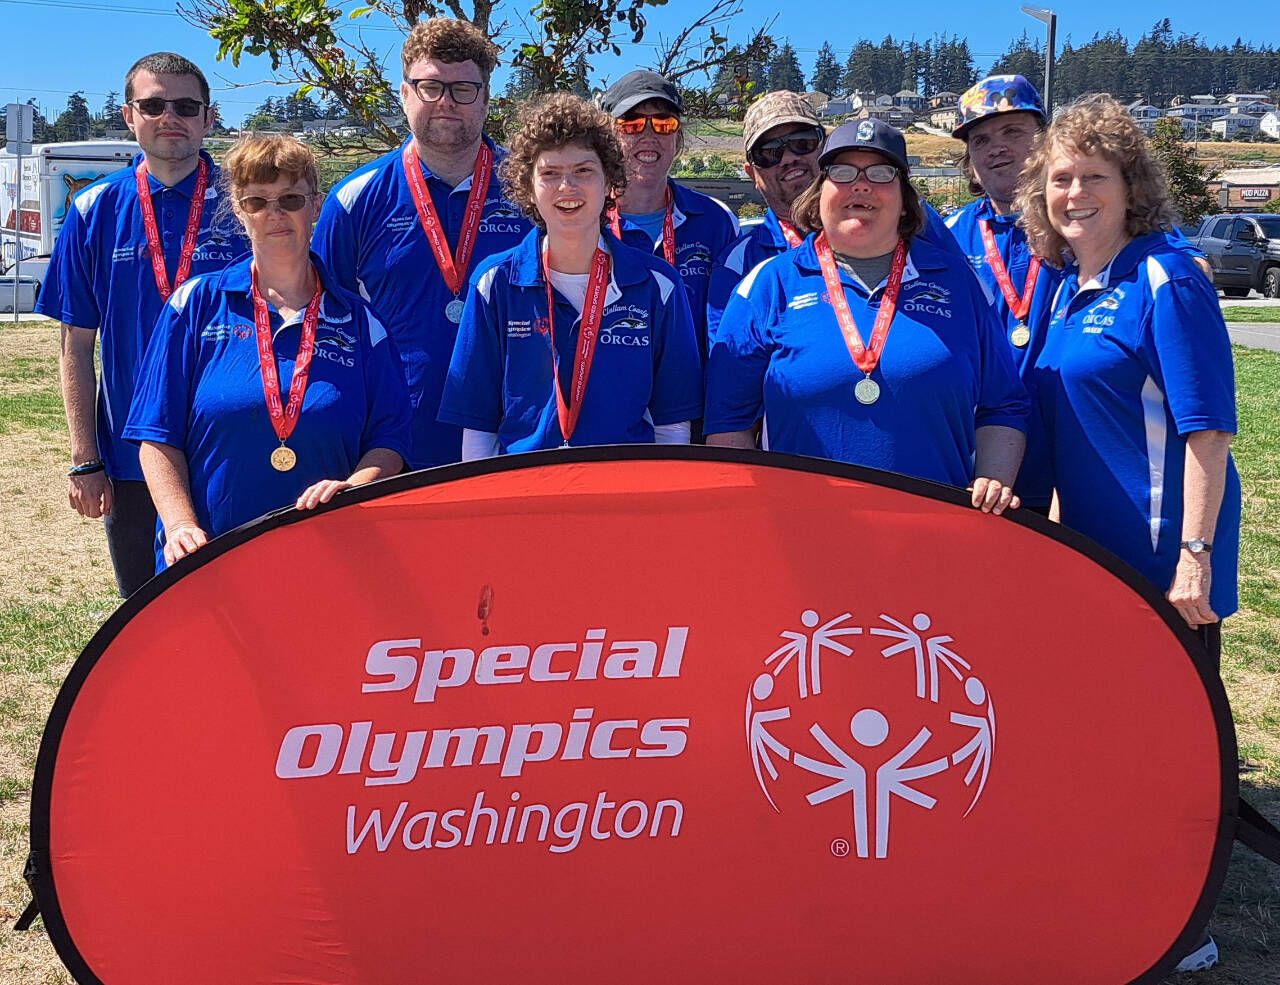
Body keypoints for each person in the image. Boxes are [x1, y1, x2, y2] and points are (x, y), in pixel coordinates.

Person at [1018, 99, 1240, 974]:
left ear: (1130, 186)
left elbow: (1207, 431)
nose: (1076, 193)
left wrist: (1195, 557)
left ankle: (1193, 922)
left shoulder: (1166, 278)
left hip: (1161, 564)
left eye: (1094, 177)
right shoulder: (1067, 290)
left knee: (1174, 755)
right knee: (1111, 745)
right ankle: (1120, 892)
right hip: (1094, 564)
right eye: (1061, 178)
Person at [705, 118, 1029, 515]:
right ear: (819, 191)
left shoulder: (958, 281)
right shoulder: (769, 284)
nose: (861, 185)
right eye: (842, 172)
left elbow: (1003, 404)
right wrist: (748, 511)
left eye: (880, 173)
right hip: (801, 534)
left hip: (935, 535)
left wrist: (993, 481)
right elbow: (728, 420)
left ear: (905, 196)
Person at [123, 134, 412, 571]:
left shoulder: (361, 322)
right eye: (257, 201)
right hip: (209, 558)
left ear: (316, 206)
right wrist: (180, 524)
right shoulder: (196, 304)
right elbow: (156, 436)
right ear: (239, 212)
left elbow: (390, 441)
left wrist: (356, 486)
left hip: (329, 559)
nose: (274, 214)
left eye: (290, 199)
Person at [35, 52, 249, 596]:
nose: (169, 116)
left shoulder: (246, 204)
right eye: (153, 105)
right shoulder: (93, 210)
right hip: (132, 457)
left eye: (185, 105)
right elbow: (75, 345)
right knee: (146, 614)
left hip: (232, 446)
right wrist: (85, 458)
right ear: (129, 116)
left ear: (208, 116)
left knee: (245, 604)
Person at [312, 18, 532, 469]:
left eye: (464, 89)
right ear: (404, 94)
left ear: (487, 98)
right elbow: (323, 326)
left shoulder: (534, 189)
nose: (447, 102)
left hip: (520, 436)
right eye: (430, 86)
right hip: (396, 447)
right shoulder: (355, 200)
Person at [437, 94, 702, 456]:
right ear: (529, 187)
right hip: (526, 497)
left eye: (583, 171)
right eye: (550, 174)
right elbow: (478, 426)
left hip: (624, 496)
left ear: (610, 180)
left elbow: (672, 424)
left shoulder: (659, 285)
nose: (567, 187)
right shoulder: (494, 282)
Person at [945, 75, 1060, 515]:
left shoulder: (1076, 222)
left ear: (1044, 140)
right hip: (983, 457)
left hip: (1070, 441)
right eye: (981, 139)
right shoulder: (948, 237)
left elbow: (1152, 240)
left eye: (1014, 132)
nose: (997, 147)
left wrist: (1185, 253)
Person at [599, 69, 739, 360]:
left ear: (677, 137)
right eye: (632, 124)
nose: (649, 135)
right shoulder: (585, 218)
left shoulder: (716, 220)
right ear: (608, 136)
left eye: (664, 123)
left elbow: (729, 331)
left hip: (690, 400)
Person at [707, 91, 824, 346]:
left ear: (824, 147)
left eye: (802, 142)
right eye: (769, 152)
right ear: (752, 174)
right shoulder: (737, 266)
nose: (790, 158)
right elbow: (728, 375)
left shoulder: (881, 231)